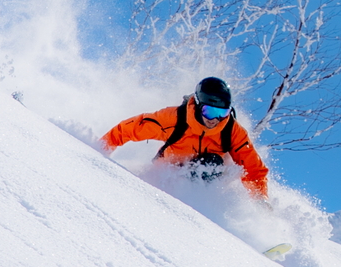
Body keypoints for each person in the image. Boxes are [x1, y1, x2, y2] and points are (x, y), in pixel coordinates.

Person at [101, 77, 269, 200]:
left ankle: (205, 213)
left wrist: (261, 202)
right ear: (197, 105)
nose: (214, 119)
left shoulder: (232, 131)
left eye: (222, 113)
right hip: (168, 174)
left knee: (214, 163)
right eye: (209, 112)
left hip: (209, 179)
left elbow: (253, 170)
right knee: (205, 164)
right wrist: (100, 149)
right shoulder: (175, 119)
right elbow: (130, 128)